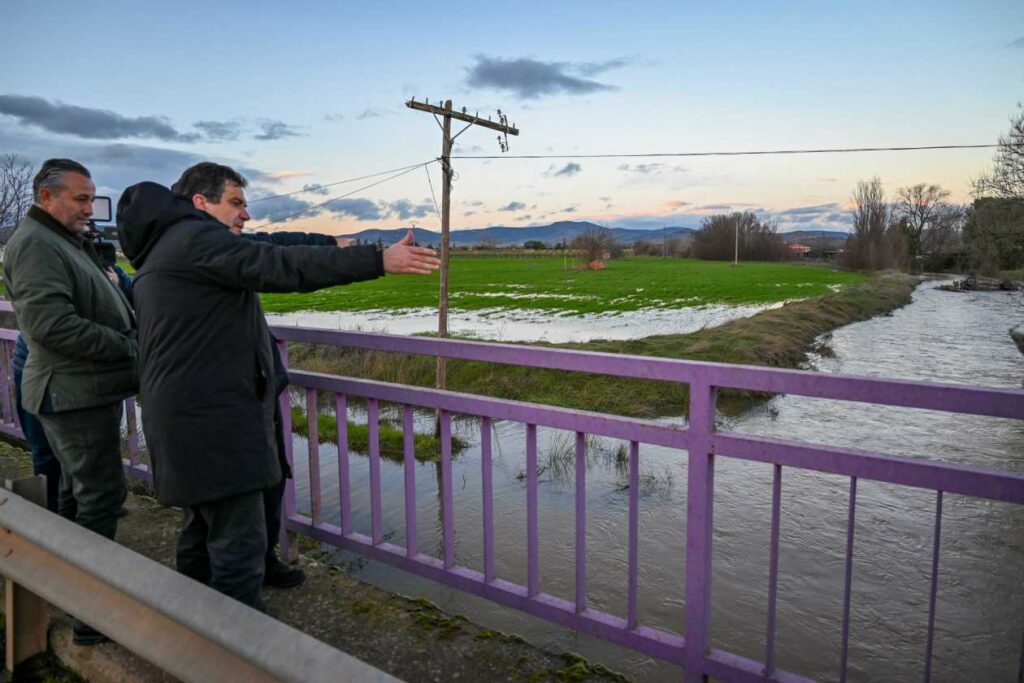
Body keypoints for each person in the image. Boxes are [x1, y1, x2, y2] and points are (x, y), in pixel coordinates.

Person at [117, 162, 438, 611]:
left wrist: (330, 243)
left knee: (203, 528)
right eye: (235, 203)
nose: (245, 215)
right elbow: (278, 264)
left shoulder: (175, 245)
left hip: (191, 416)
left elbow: (269, 245)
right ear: (200, 203)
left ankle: (188, 626)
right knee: (236, 546)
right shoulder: (195, 242)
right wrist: (377, 261)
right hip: (211, 422)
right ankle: (234, 646)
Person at [3, 159, 138, 645]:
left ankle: (68, 583)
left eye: (90, 198)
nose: (89, 209)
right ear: (46, 197)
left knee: (74, 492)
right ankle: (90, 613)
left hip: (77, 389)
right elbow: (51, 327)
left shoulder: (58, 239)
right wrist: (129, 346)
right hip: (73, 392)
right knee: (102, 495)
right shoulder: (37, 245)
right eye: (80, 199)